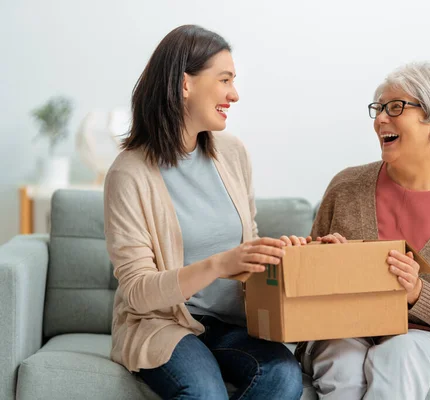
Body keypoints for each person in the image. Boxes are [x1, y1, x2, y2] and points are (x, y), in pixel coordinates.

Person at [103, 25, 305, 400]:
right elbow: (136, 293)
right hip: (164, 324)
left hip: (233, 324)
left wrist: (276, 254)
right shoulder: (128, 174)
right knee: (204, 393)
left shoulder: (232, 154)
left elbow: (246, 243)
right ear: (184, 84)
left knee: (284, 377)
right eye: (224, 79)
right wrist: (218, 265)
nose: (235, 94)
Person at [299, 62, 430, 400]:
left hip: (423, 336)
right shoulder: (346, 187)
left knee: (399, 354)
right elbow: (308, 286)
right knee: (341, 359)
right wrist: (324, 259)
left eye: (396, 107)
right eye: (378, 108)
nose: (380, 120)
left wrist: (417, 292)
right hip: (346, 327)